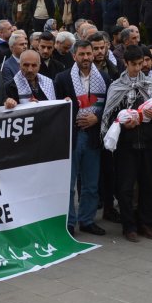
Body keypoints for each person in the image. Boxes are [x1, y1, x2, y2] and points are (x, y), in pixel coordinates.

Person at [101, 46, 152, 242]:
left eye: (141, 64)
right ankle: (129, 226)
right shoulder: (116, 85)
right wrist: (124, 122)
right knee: (126, 187)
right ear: (126, 64)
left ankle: (146, 223)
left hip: (146, 141)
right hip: (126, 145)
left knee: (148, 185)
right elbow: (109, 115)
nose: (138, 68)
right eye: (134, 64)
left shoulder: (150, 83)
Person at [53, 40, 108, 236]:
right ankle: (69, 221)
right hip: (72, 138)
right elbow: (55, 109)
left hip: (93, 137)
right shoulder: (62, 78)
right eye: (82, 54)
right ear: (74, 56)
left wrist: (97, 117)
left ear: (93, 55)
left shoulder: (103, 77)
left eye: (88, 54)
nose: (86, 58)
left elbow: (110, 107)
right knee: (68, 185)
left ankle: (87, 220)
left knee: (91, 184)